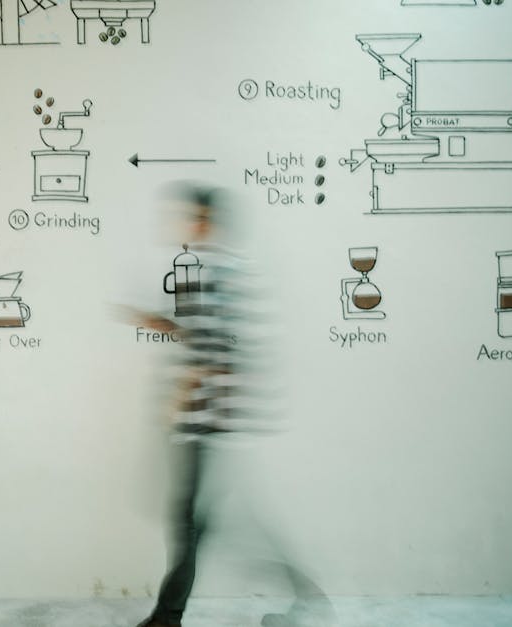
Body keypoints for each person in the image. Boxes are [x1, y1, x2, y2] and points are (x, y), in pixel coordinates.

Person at [125, 184, 333, 627]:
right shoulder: (221, 269)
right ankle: (305, 598)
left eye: (189, 217)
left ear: (206, 221)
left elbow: (222, 347)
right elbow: (204, 333)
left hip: (206, 419)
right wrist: (160, 322)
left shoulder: (217, 271)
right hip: (209, 419)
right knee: (208, 522)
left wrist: (188, 386)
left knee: (197, 522)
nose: (183, 226)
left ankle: (169, 616)